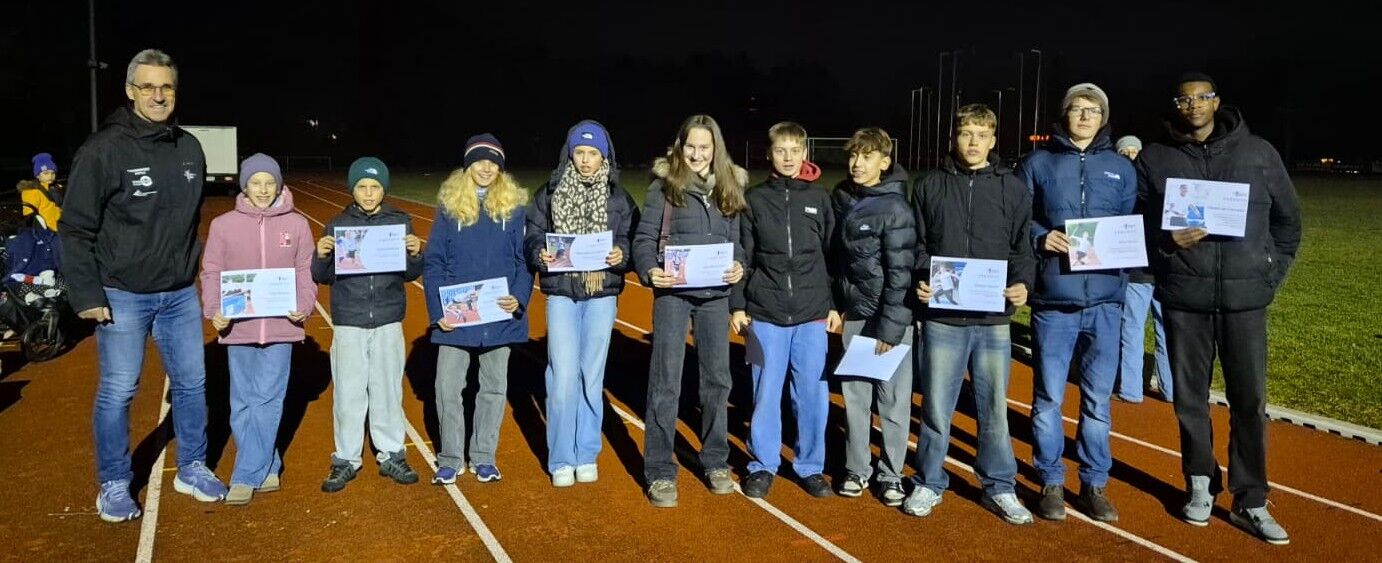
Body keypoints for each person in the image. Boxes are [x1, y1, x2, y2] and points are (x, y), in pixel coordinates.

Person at [60, 48, 228, 522]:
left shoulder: (189, 147)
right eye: (148, 86)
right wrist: (88, 294)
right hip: (121, 295)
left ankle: (192, 465)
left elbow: (190, 217)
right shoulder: (104, 149)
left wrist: (191, 266)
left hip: (178, 294)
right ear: (131, 91)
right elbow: (75, 228)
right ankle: (114, 483)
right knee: (119, 390)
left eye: (167, 87)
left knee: (194, 384)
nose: (159, 95)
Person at [1136, 72, 1301, 545]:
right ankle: (1201, 482)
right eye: (1184, 100)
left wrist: (1270, 275)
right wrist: (1167, 242)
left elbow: (1290, 222)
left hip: (1245, 300)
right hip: (1185, 299)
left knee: (1249, 402)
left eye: (1202, 97)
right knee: (1189, 400)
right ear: (1176, 106)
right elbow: (1139, 226)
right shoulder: (1156, 156)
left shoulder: (1258, 153)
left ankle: (1250, 499)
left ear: (1217, 101)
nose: (1194, 106)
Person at [906, 104, 1034, 524]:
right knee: (937, 408)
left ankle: (999, 485)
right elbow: (919, 246)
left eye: (982, 134)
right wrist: (923, 278)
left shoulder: (1013, 189)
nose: (974, 142)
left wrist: (1022, 285)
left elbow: (1022, 250)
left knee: (994, 408)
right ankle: (928, 481)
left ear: (994, 141)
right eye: (966, 133)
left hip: (994, 320)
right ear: (954, 138)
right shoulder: (930, 186)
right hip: (944, 318)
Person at [1017, 83, 1137, 523]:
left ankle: (1094, 483)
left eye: (1093, 110)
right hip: (1055, 300)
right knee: (1048, 396)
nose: (1084, 116)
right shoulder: (1037, 163)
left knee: (1097, 402)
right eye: (1076, 109)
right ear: (1064, 115)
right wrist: (1039, 236)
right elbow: (1019, 219)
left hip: (1106, 302)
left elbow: (1127, 224)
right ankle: (1050, 478)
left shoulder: (1120, 170)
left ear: (1104, 118)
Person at [631, 114, 746, 508]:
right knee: (666, 382)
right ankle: (660, 470)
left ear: (716, 149)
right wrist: (649, 269)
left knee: (717, 382)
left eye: (705, 147)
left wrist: (739, 266)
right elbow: (644, 238)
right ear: (679, 148)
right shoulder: (663, 188)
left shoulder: (729, 188)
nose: (697, 154)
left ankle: (715, 461)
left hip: (715, 296)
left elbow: (738, 243)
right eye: (691, 146)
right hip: (674, 296)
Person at [199, 154, 317, 505]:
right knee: (241, 403)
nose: (263, 190)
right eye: (256, 182)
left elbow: (304, 271)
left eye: (270, 183)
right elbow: (212, 272)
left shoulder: (297, 224)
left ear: (279, 185)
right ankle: (268, 465)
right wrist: (214, 310)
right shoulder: (223, 225)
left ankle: (245, 474)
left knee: (267, 400)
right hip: (239, 327)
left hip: (282, 327)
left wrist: (304, 305)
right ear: (244, 185)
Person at [525, 120, 637, 487]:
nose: (586, 160)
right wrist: (539, 254)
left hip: (602, 294)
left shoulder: (618, 197)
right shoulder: (549, 193)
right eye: (580, 152)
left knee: (592, 376)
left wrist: (622, 255)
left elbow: (632, 241)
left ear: (604, 156)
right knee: (562, 376)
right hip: (561, 292)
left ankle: (586, 452)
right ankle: (561, 458)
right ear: (569, 154)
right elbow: (533, 235)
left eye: (593, 153)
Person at [730, 121, 838, 499]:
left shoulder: (821, 198)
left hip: (811, 313)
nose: (789, 157)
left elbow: (831, 253)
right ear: (770, 154)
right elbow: (743, 254)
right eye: (781, 150)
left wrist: (834, 305)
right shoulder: (755, 200)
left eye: (795, 150)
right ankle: (762, 464)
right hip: (765, 312)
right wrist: (739, 304)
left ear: (805, 153)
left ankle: (810, 466)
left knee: (812, 395)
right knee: (765, 393)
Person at [423, 134, 532, 485]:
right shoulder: (449, 207)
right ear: (467, 166)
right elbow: (434, 262)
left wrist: (519, 297)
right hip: (457, 317)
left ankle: (484, 455)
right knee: (447, 387)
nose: (486, 168)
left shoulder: (514, 209)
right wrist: (438, 308)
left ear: (501, 169)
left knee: (493, 387)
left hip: (499, 315)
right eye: (479, 161)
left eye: (493, 162)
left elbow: (523, 261)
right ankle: (451, 457)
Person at [311, 157, 424, 492]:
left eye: (375, 186)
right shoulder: (336, 224)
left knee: (388, 389)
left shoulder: (400, 222)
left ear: (384, 189)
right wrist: (321, 254)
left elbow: (411, 273)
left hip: (388, 317)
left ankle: (391, 453)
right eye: (362, 186)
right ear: (353, 189)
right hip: (349, 319)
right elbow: (322, 277)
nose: (369, 193)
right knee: (348, 391)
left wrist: (416, 253)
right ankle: (345, 457)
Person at [829, 127, 916, 507]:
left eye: (867, 157)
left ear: (885, 162)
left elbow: (901, 273)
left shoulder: (896, 207)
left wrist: (890, 327)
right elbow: (836, 262)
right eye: (853, 156)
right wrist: (837, 305)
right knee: (855, 400)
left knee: (893, 403)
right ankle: (856, 469)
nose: (857, 164)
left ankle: (892, 474)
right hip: (855, 315)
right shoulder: (842, 197)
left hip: (888, 320)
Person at [1116, 135, 1174, 404]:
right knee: (1132, 330)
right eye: (1125, 151)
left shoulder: (1127, 194)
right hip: (1138, 272)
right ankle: (1131, 389)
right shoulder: (1161, 191)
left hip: (1160, 272)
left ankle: (1169, 389)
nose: (1131, 156)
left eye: (1134, 151)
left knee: (1165, 333)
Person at [21, 152, 63, 230]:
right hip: (47, 232)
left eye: (53, 173)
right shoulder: (31, 191)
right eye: (46, 173)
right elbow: (29, 214)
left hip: (62, 229)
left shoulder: (56, 188)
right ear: (37, 176)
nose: (50, 176)